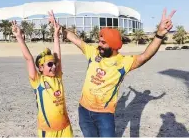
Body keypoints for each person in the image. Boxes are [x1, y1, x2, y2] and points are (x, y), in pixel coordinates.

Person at [48, 9, 176, 137]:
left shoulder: (124, 62)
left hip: (104, 115)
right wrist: (59, 27)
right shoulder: (93, 53)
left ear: (113, 45)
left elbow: (145, 56)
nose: (99, 45)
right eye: (99, 41)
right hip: (84, 111)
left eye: (103, 42)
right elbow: (75, 39)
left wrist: (159, 35)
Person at [12, 20, 73, 137]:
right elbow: (29, 58)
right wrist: (19, 37)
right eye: (49, 65)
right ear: (40, 67)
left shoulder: (58, 77)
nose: (54, 67)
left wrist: (56, 35)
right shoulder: (37, 81)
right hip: (48, 130)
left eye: (54, 64)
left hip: (65, 128)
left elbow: (57, 57)